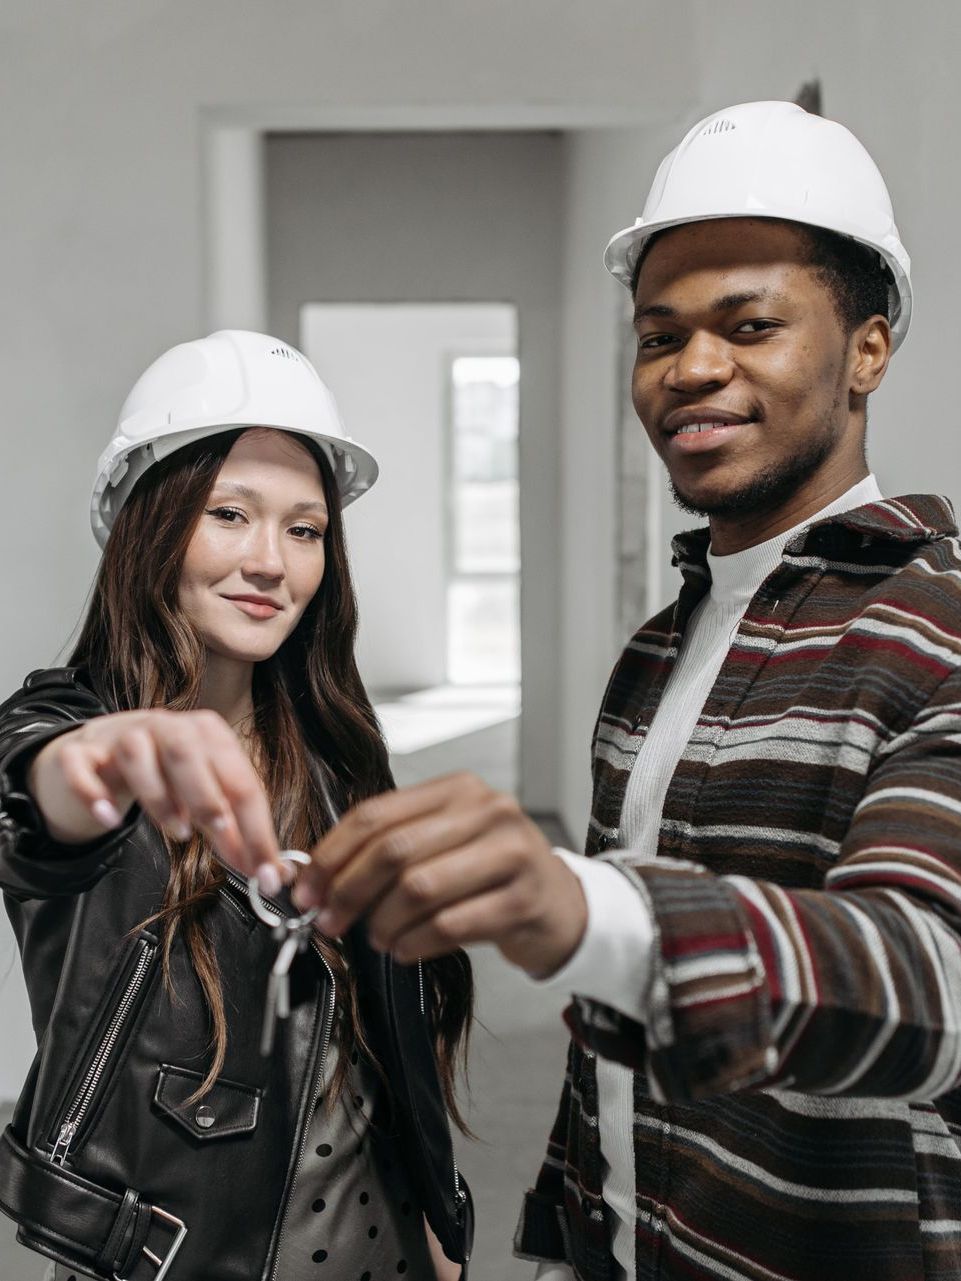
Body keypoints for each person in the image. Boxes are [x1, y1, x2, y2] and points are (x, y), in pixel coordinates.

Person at [284, 100, 961, 1281]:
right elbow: (617, 1014)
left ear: (868, 348)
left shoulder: (936, 623)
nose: (695, 368)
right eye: (658, 337)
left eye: (750, 324)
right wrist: (561, 1230)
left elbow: (928, 982)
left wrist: (582, 904)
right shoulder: (657, 654)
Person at [0, 329, 473, 1281]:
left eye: (304, 529)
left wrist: (435, 1209)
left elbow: (385, 1026)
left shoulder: (335, 751)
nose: (271, 561)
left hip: (380, 1248)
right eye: (229, 514)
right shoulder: (77, 728)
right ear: (150, 521)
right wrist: (100, 753)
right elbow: (35, 783)